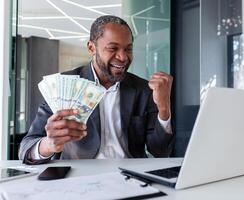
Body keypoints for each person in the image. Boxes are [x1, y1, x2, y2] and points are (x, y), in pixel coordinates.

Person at [19, 15, 174, 164]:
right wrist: (48, 144)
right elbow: (25, 148)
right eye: (113, 48)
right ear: (91, 48)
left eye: (128, 49)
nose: (123, 57)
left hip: (130, 176)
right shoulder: (63, 86)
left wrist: (164, 108)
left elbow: (160, 151)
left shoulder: (143, 89)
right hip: (79, 177)